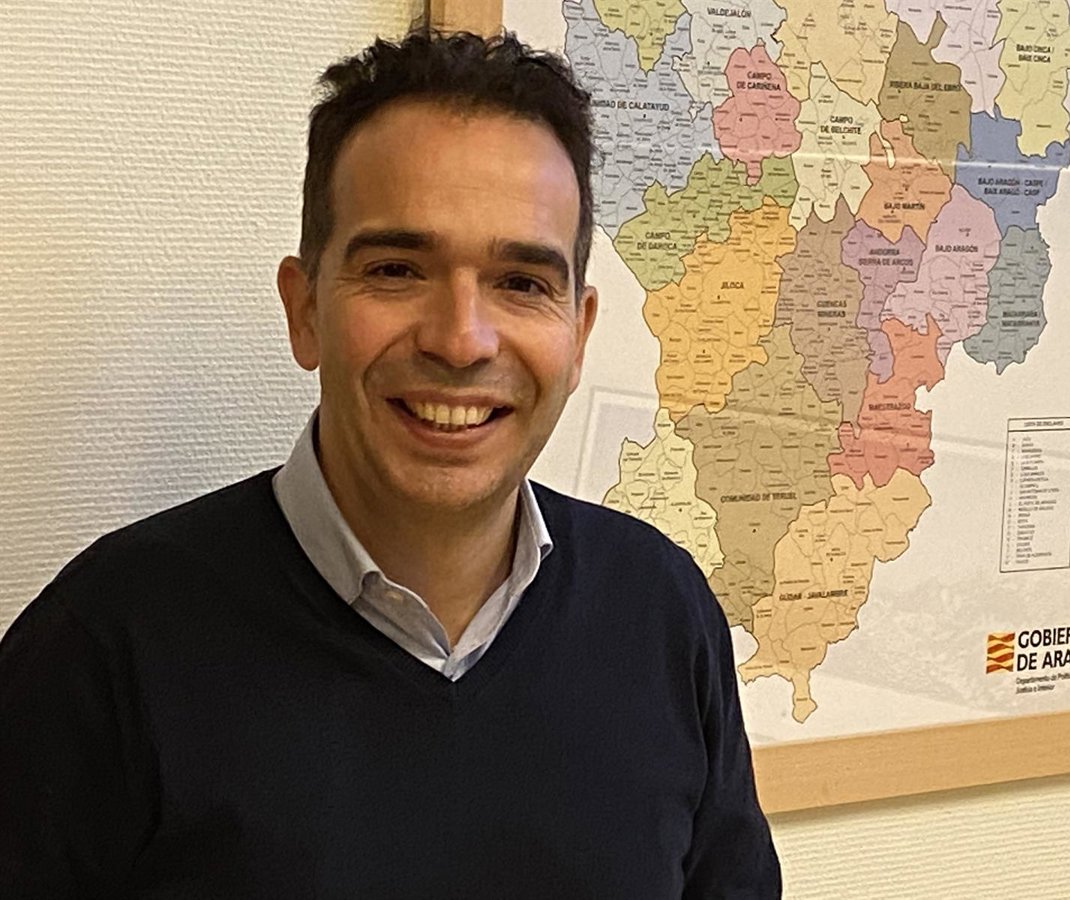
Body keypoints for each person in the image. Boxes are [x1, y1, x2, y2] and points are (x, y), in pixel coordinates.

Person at [0, 28, 781, 898]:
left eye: (522, 283)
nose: (461, 339)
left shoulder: (663, 612)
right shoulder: (102, 648)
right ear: (305, 311)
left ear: (579, 332)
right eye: (398, 269)